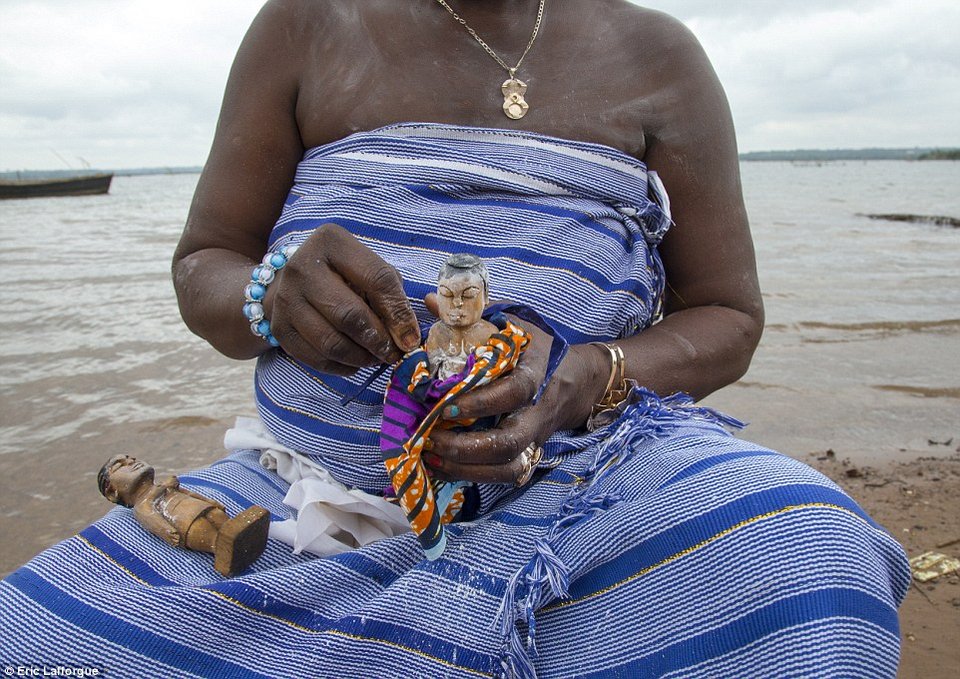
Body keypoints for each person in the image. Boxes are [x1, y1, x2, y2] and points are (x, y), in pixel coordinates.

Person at [0, 1, 909, 677]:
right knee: (30, 635)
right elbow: (204, 264)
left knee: (809, 552)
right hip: (306, 492)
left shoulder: (658, 57)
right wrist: (271, 293)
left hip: (599, 482)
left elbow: (730, 315)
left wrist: (588, 375)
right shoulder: (306, 26)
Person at [97, 455, 270, 576]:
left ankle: (245, 538)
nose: (131, 461)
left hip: (199, 507)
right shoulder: (142, 505)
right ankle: (224, 554)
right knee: (208, 535)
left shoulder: (166, 485)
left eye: (131, 458)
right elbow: (150, 517)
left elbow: (189, 493)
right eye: (120, 465)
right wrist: (166, 530)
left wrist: (209, 501)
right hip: (186, 522)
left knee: (220, 518)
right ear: (112, 492)